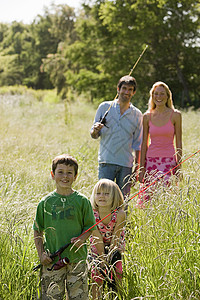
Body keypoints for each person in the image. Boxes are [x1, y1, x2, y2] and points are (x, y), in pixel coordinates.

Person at [33, 154, 96, 300]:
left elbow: (90, 226)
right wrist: (41, 254)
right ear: (52, 174)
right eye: (60, 172)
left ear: (75, 176)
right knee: (50, 297)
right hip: (52, 260)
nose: (65, 176)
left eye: (69, 173)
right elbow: (37, 229)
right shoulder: (45, 203)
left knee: (78, 296)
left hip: (77, 260)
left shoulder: (82, 201)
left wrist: (82, 238)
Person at [90, 75, 143, 204]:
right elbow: (93, 134)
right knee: (103, 200)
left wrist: (136, 169)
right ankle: (102, 224)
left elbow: (138, 145)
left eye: (130, 89)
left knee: (122, 202)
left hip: (126, 164)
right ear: (118, 89)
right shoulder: (104, 107)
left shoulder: (137, 114)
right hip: (106, 161)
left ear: (134, 92)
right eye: (124, 88)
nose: (127, 92)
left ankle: (121, 225)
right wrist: (95, 130)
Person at [138, 81, 182, 207]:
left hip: (169, 162)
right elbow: (143, 143)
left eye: (162, 94)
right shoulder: (147, 116)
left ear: (168, 96)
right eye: (156, 94)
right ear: (152, 96)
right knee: (149, 199)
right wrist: (141, 169)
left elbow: (179, 142)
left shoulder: (176, 115)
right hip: (151, 162)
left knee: (167, 198)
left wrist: (179, 166)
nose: (159, 97)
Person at [89, 179, 126, 299]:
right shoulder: (91, 214)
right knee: (96, 274)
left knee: (117, 273)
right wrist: (101, 257)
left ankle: (117, 295)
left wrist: (110, 255)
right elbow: (96, 236)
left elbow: (116, 235)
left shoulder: (119, 214)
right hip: (96, 247)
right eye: (98, 193)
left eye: (106, 193)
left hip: (114, 246)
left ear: (114, 196)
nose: (102, 196)